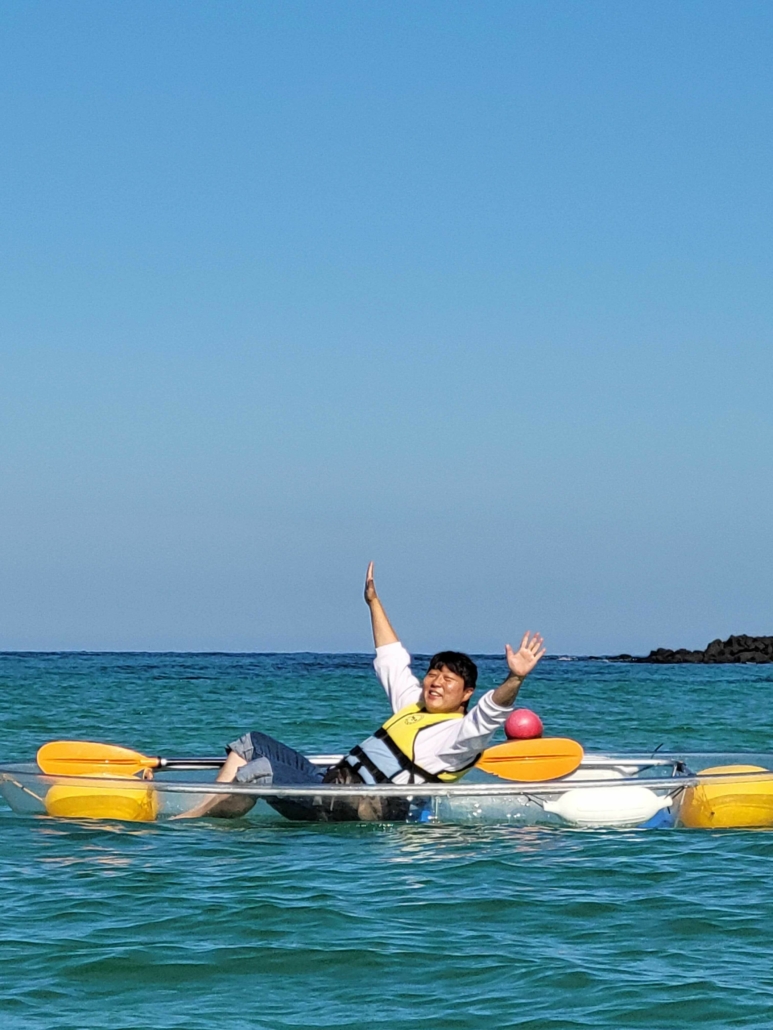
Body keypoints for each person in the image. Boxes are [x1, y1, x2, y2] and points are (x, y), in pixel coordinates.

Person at [181, 563, 545, 821]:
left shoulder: (459, 737)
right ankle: (205, 808)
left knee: (259, 771)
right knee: (251, 741)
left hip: (349, 811)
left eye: (448, 680)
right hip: (327, 787)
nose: (436, 682)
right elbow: (390, 660)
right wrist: (373, 602)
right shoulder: (413, 705)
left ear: (465, 694)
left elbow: (490, 713)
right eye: (433, 674)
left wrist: (515, 678)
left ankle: (191, 824)